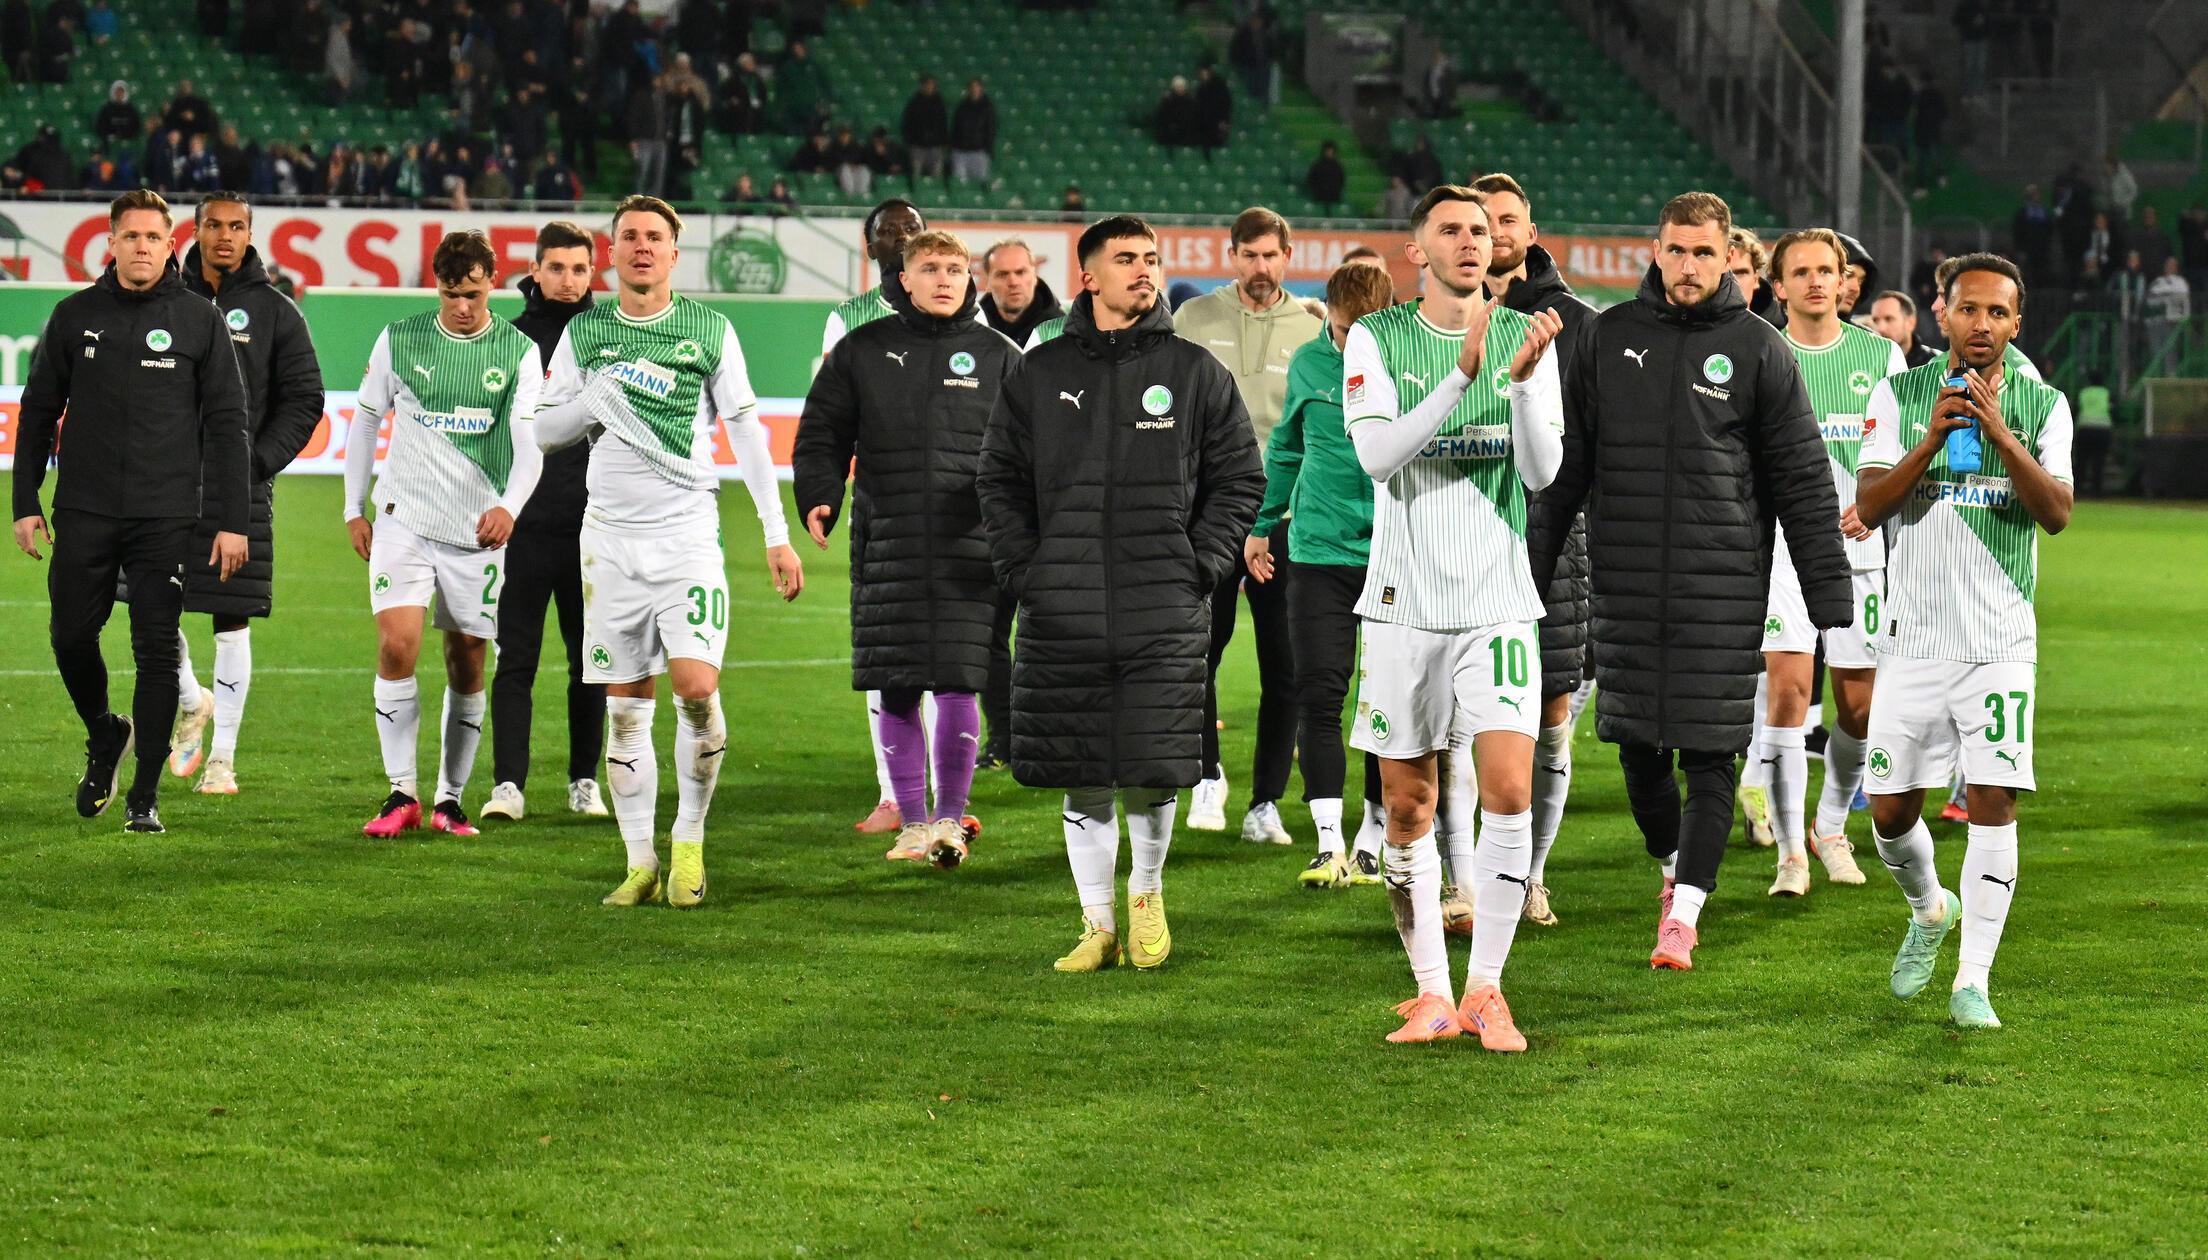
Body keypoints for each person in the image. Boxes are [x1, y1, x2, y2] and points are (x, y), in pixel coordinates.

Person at [1528, 192, 1852, 972]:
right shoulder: (1608, 338)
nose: (1688, 266)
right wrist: (1527, 573)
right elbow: (1565, 471)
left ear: (1726, 256)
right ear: (1656, 249)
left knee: (1711, 755)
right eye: (1676, 250)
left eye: (1704, 253)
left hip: (1724, 588)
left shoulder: (1758, 348)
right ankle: (1672, 872)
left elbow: (1803, 481)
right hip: (1627, 588)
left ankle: (1687, 916)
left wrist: (1828, 591)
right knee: (1638, 751)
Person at [976, 215, 1263, 972]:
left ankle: (1146, 895)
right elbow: (999, 480)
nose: (1144, 270)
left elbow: (1240, 480)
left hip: (1162, 607)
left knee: (1152, 767)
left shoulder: (1197, 372)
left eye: (1152, 258)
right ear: (1088, 277)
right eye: (1126, 259)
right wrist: (1026, 571)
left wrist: (1199, 564)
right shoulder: (1037, 374)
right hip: (1060, 607)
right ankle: (1095, 924)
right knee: (1081, 772)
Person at [1340, 185, 1564, 1049]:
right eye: (1451, 231)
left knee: (1507, 790)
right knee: (1410, 807)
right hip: (1402, 606)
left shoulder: (1528, 336)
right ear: (1416, 253)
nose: (1472, 243)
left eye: (1481, 230)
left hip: (1498, 603)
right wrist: (1461, 378)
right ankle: (1430, 991)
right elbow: (1378, 458)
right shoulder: (1379, 337)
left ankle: (1488, 990)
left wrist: (1511, 387)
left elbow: (1542, 477)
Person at [533, 196, 804, 907]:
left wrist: (776, 532)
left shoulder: (707, 329)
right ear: (612, 252)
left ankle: (689, 838)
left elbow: (747, 432)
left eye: (656, 237)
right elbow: (543, 430)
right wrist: (599, 395)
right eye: (630, 237)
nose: (643, 247)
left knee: (695, 688)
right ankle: (639, 860)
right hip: (609, 543)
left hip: (686, 537)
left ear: (674, 254)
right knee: (626, 709)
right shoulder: (586, 334)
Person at [1855, 252, 2072, 1030]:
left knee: (1993, 803)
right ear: (1941, 313)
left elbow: (2055, 511)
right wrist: (1932, 439)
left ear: (2018, 321)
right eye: (1968, 309)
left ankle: (1972, 981)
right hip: (1914, 641)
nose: (1982, 324)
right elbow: (1871, 504)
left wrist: (2000, 433)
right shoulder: (1900, 392)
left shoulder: (2046, 405)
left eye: (1998, 313)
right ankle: (1927, 910)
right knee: (1887, 811)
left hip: (2000, 643)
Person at [11, 189, 248, 834]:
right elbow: (38, 411)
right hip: (83, 509)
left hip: (165, 515)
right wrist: (25, 499)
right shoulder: (73, 315)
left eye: (153, 237)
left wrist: (232, 519)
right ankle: (104, 732)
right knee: (68, 637)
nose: (142, 247)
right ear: (110, 243)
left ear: (171, 244)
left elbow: (229, 425)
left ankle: (144, 798)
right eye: (130, 236)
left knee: (155, 654)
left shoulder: (200, 321)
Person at [795, 231, 1016, 866]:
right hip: (886, 540)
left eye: (955, 269)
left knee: (957, 681)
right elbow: (821, 433)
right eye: (930, 269)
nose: (945, 279)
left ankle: (950, 819)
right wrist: (820, 493)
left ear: (969, 278)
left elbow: (1035, 448)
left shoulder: (999, 355)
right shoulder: (862, 351)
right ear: (905, 279)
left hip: (970, 547)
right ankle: (913, 824)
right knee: (894, 684)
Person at [346, 232, 545, 840]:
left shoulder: (516, 351)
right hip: (404, 519)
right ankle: (400, 791)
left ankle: (449, 799)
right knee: (396, 647)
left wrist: (509, 506)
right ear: (438, 286)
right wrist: (354, 506)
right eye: (452, 293)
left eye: (475, 293)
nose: (463, 306)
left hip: (475, 531)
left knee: (467, 662)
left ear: (492, 285)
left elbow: (528, 443)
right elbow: (366, 420)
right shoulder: (399, 338)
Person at [1755, 228, 1908, 898]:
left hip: (1859, 547)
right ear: (1778, 284)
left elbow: (1903, 454)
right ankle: (1791, 851)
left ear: (1845, 279)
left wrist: (1878, 509)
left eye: (1828, 270)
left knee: (1859, 706)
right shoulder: (1759, 351)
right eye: (1802, 271)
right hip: (1782, 551)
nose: (1817, 282)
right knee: (1788, 694)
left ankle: (1829, 826)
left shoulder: (1882, 356)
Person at [162, 194, 323, 796]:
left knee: (232, 619)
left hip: (239, 488)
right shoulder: (167, 302)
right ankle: (189, 699)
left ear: (251, 233)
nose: (224, 236)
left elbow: (304, 398)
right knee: (154, 603)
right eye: (213, 225)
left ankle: (222, 760)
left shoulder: (277, 311)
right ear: (196, 231)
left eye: (236, 226)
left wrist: (253, 464)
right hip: (164, 482)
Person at [1172, 207, 1324, 842]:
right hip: (1209, 514)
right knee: (1200, 652)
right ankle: (1208, 775)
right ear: (1230, 255)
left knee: (1284, 665)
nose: (1261, 268)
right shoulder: (1192, 321)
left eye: (1271, 256)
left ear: (1288, 257)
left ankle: (1265, 803)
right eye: (1249, 255)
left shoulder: (1313, 329)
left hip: (1287, 515)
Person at [1478, 172, 1596, 930]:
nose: (1493, 233)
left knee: (1553, 712)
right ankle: (1467, 875)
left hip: (1556, 537)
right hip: (1467, 540)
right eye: (1480, 221)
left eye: (1508, 219)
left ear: (1530, 227)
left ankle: (1531, 877)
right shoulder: (1435, 321)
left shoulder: (1577, 321)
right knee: (1464, 724)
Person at [1255, 259, 1395, 891]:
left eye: (1359, 332)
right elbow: (1286, 447)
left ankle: (1373, 836)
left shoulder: (1411, 361)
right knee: (1319, 691)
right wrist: (1262, 523)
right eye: (1340, 331)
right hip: (1317, 549)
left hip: (1396, 552)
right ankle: (1328, 844)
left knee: (1387, 702)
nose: (1347, 343)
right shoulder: (1311, 364)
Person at [479, 222, 609, 823]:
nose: (568, 279)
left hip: (593, 529)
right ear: (534, 271)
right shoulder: (509, 341)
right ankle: (509, 784)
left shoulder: (608, 338)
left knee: (592, 663)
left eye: (579, 269)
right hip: (525, 528)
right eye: (556, 267)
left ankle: (584, 780)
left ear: (593, 274)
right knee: (516, 659)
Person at [821, 198, 933, 833]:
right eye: (888, 233)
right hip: (883, 505)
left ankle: (948, 793)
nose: (901, 239)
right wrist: (827, 490)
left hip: (952, 504)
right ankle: (893, 792)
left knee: (950, 652)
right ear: (870, 250)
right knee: (883, 648)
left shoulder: (956, 307)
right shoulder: (849, 320)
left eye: (911, 229)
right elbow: (836, 415)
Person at [1868, 289, 1938, 367]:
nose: (1881, 328)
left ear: (1910, 323)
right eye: (1875, 321)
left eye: (1889, 319)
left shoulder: (1934, 364)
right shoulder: (1866, 363)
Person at [901, 74, 949, 182]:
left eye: (932, 85)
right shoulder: (914, 102)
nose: (929, 87)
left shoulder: (940, 103)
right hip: (917, 146)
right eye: (927, 84)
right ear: (922, 86)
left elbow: (943, 125)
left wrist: (943, 143)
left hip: (936, 146)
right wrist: (910, 142)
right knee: (916, 176)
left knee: (937, 178)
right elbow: (907, 124)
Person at [950, 77, 996, 183]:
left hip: (979, 152)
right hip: (960, 151)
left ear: (981, 89)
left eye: (976, 87)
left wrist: (987, 150)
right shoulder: (961, 107)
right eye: (972, 87)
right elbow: (955, 128)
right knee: (959, 183)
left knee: (980, 183)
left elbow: (991, 130)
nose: (974, 90)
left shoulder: (988, 108)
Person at [2074, 371, 2112, 496]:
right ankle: (2097, 490)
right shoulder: (2106, 393)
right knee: (2099, 460)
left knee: (2081, 460)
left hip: (2085, 429)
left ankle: (2077, 488)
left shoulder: (2083, 393)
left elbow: (2076, 409)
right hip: (2102, 429)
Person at [1306, 141, 1345, 214]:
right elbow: (1311, 179)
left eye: (1331, 151)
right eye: (1327, 151)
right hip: (1319, 196)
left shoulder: (1337, 166)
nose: (1329, 153)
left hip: (1334, 196)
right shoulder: (1317, 165)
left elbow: (1341, 181)